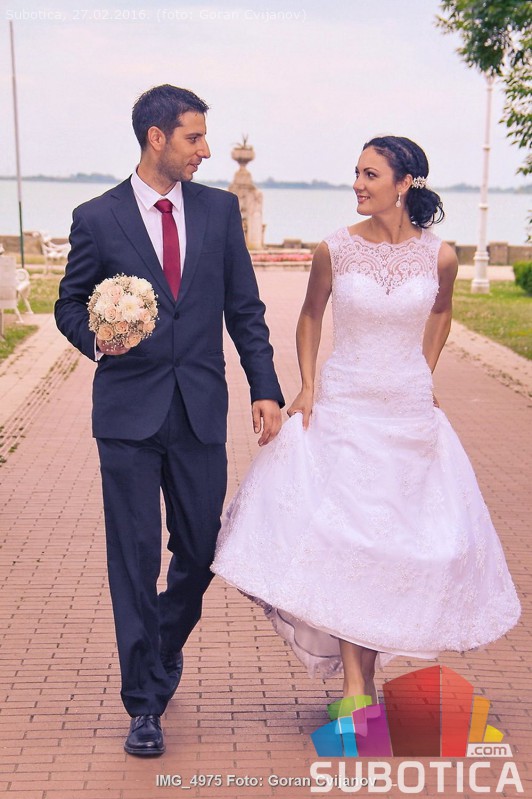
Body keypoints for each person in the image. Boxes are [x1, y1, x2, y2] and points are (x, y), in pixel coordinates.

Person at [212, 135, 521, 705]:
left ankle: (363, 684)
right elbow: (310, 316)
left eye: (370, 174)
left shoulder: (441, 257)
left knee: (397, 549)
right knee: (350, 544)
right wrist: (308, 386)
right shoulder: (335, 249)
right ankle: (357, 688)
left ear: (403, 184)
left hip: (409, 417)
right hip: (344, 410)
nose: (357, 183)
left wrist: (424, 371)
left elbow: (441, 312)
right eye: (356, 172)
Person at [55, 84, 284, 756]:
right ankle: (144, 704)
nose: (204, 150)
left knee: (202, 549)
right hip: (127, 414)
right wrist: (100, 338)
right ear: (156, 137)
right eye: (193, 136)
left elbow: (244, 307)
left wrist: (264, 387)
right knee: (134, 556)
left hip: (199, 409)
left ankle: (159, 645)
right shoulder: (97, 217)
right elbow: (69, 304)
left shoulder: (218, 211)